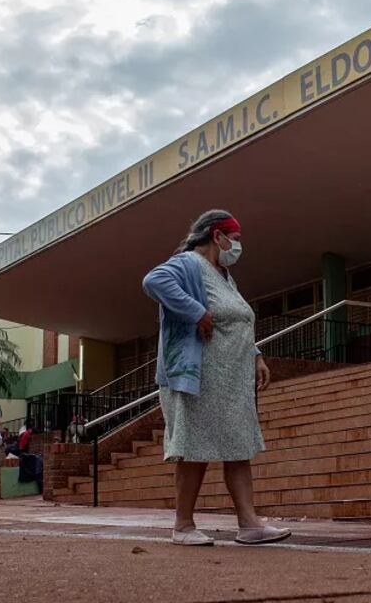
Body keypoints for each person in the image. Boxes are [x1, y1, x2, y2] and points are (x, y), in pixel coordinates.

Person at [143, 209, 289, 546]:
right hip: (201, 376)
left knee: (239, 446)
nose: (237, 247)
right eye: (234, 239)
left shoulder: (223, 275)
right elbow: (154, 281)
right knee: (194, 448)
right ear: (216, 235)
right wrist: (195, 311)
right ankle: (183, 526)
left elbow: (236, 319)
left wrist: (255, 356)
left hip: (232, 378)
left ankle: (250, 524)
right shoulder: (188, 263)